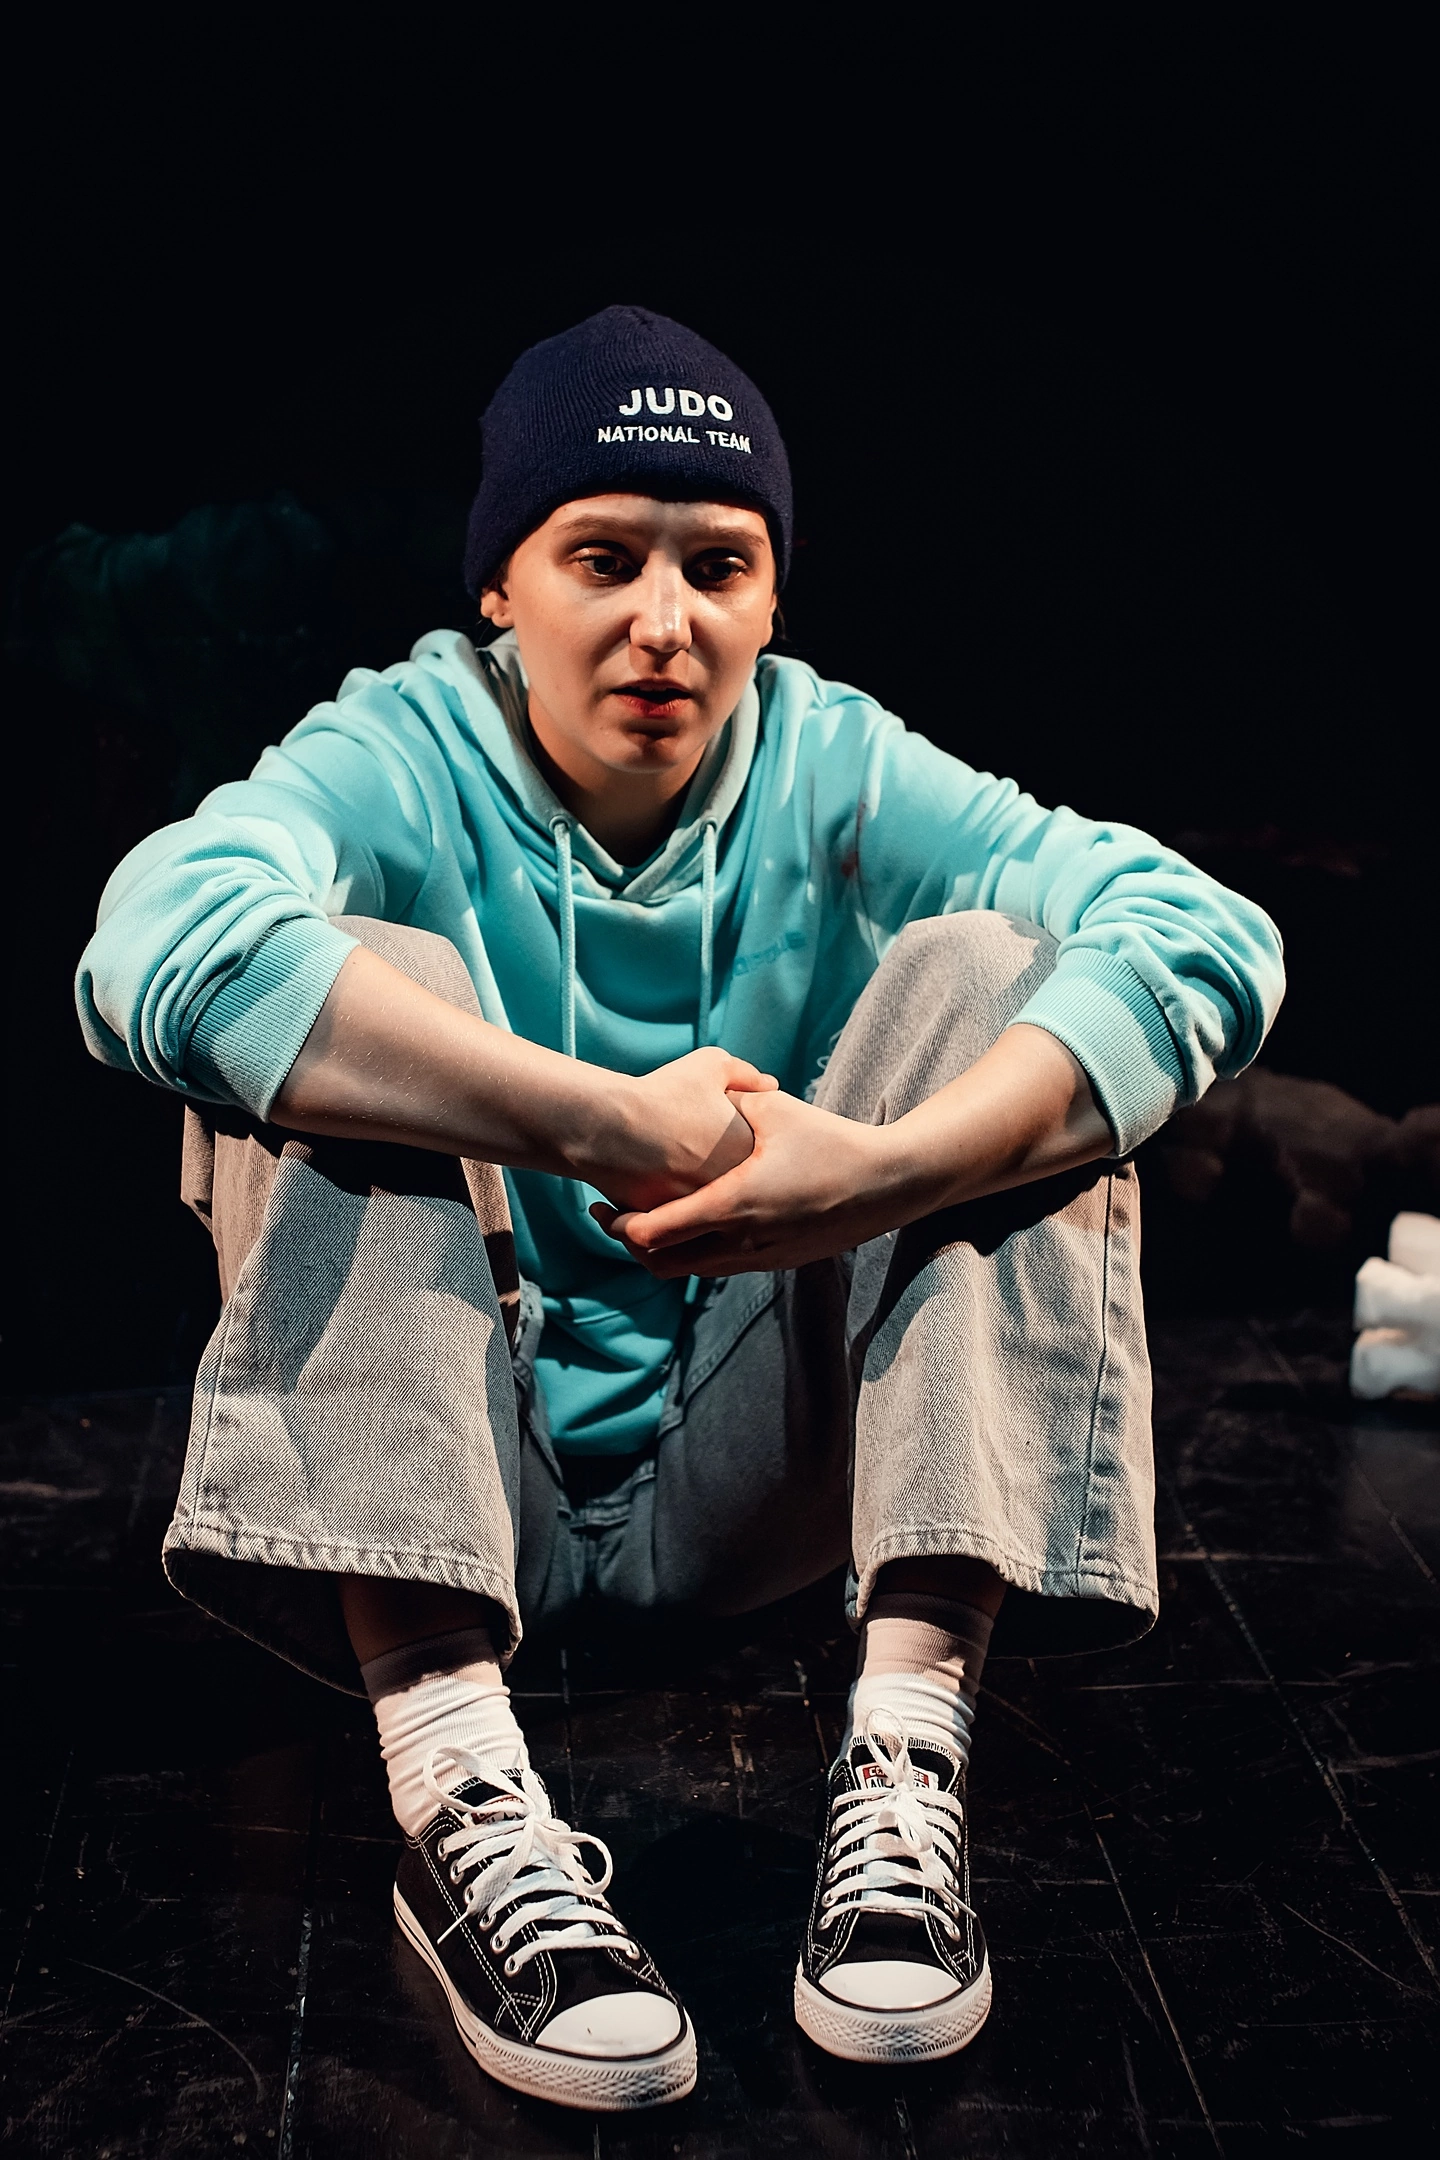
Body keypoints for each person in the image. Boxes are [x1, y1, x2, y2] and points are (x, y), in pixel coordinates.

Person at [76, 305, 1284, 2113]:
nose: (665, 621)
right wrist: (596, 1121)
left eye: (719, 566)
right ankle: (453, 1784)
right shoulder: (402, 749)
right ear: (502, 585)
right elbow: (154, 945)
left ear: (773, 598)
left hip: (751, 1483)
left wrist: (880, 1171)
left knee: (998, 977)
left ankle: (908, 1760)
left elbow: (1205, 935)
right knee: (348, 998)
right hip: (444, 1476)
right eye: (603, 559)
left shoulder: (832, 761)